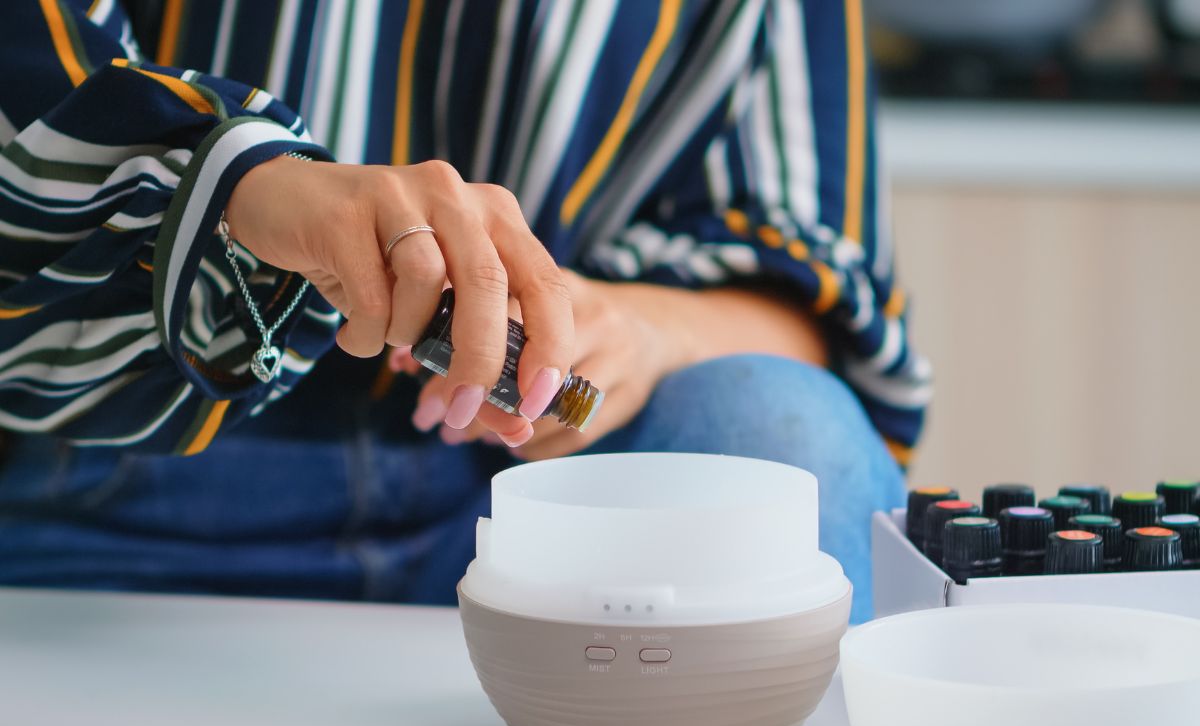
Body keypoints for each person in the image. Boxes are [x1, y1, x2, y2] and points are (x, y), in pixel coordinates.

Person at [0, 0, 928, 622]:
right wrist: (241, 185)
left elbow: (820, 294)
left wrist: (648, 329)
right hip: (99, 464)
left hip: (539, 504)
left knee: (791, 434)